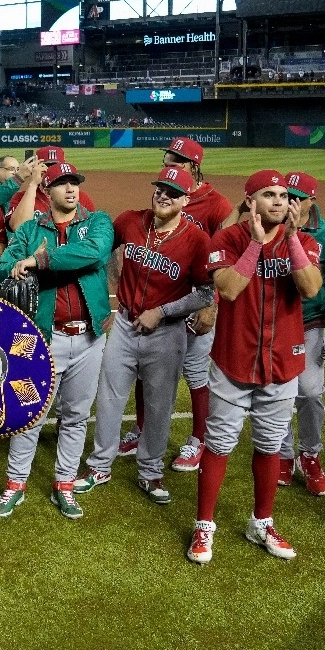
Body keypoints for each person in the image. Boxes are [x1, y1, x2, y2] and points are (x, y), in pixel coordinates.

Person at [187, 170, 322, 565]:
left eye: (284, 195)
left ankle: (261, 522)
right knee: (219, 444)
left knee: (269, 445)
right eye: (269, 195)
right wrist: (256, 246)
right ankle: (204, 525)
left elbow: (311, 288)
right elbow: (228, 289)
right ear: (251, 202)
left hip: (282, 363)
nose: (280, 201)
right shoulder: (227, 239)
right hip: (235, 361)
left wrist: (292, 239)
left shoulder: (306, 241)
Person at [72, 167, 213, 506]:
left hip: (167, 334)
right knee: (109, 398)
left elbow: (206, 293)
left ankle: (150, 471)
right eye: (160, 189)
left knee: (159, 405)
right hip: (123, 324)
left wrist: (163, 311)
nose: (164, 196)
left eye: (173, 192)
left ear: (185, 199)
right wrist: (113, 286)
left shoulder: (196, 240)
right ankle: (100, 466)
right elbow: (103, 252)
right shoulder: (130, 221)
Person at [0, 162, 113, 520]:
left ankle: (65, 483)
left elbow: (95, 253)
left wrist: (39, 260)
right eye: (61, 183)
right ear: (48, 190)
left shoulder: (98, 222)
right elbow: (1, 269)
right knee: (31, 413)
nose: (71, 189)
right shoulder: (30, 229)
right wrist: (15, 265)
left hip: (88, 337)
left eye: (75, 182)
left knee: (75, 415)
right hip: (44, 338)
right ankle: (15, 483)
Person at [124, 138, 233, 471]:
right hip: (160, 304)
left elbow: (225, 255)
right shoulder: (165, 193)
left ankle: (198, 439)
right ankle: (141, 429)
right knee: (146, 370)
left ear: (194, 166)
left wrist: (209, 304)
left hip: (196, 302)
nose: (168, 167)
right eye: (167, 160)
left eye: (177, 161)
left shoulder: (217, 206)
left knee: (196, 372)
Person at [277, 172, 325, 495]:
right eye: (285, 195)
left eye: (297, 197)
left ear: (311, 200)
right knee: (277, 394)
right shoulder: (269, 224)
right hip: (274, 324)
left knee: (308, 391)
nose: (290, 202)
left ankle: (310, 455)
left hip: (310, 323)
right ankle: (283, 455)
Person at [5, 146, 97, 231]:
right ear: (35, 167)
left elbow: (93, 229)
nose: (51, 171)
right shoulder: (21, 198)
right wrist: (33, 184)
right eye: (47, 166)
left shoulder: (79, 197)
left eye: (56, 166)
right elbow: (18, 228)